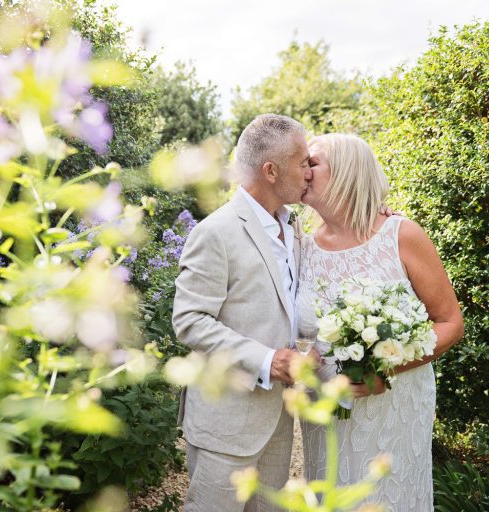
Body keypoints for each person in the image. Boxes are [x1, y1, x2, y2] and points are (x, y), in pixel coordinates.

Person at [297, 133, 464, 511]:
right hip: (326, 410)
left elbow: (450, 322)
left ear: (346, 173)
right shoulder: (300, 246)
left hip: (394, 406)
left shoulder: (402, 235)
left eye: (313, 162)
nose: (302, 171)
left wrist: (384, 368)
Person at [172, 113, 317, 511]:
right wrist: (268, 360)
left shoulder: (294, 229)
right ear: (271, 170)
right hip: (225, 421)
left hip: (276, 420)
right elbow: (190, 320)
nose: (310, 171)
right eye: (302, 161)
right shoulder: (214, 232)